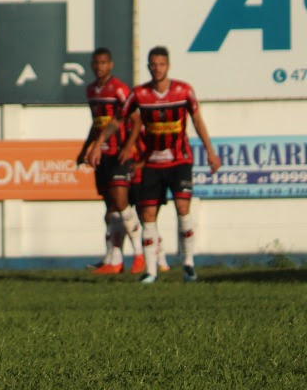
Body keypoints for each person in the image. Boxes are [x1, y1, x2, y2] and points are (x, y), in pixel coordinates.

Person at [90, 46, 220, 283]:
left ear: (168, 66)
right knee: (148, 214)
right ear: (149, 67)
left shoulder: (184, 91)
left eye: (161, 64)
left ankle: (188, 264)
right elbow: (118, 119)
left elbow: (197, 120)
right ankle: (151, 271)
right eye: (153, 64)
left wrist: (210, 151)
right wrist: (98, 144)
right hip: (151, 163)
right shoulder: (140, 94)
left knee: (183, 208)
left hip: (179, 160)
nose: (157, 68)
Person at [78, 47, 143, 275]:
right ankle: (114, 260)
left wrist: (128, 146)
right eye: (96, 63)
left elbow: (136, 120)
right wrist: (85, 149)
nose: (99, 67)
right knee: (111, 209)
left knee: (122, 203)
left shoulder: (120, 89)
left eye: (103, 62)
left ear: (111, 65)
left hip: (118, 154)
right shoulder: (91, 90)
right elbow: (96, 123)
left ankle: (140, 254)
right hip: (101, 155)